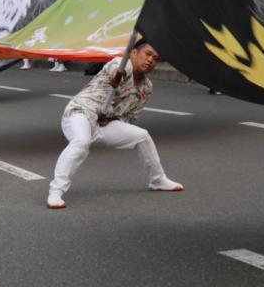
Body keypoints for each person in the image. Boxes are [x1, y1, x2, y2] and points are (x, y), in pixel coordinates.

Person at [46, 39, 182, 209]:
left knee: (142, 136)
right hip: (80, 113)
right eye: (147, 54)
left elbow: (130, 117)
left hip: (103, 123)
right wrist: (117, 76)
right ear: (134, 53)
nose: (150, 60)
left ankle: (158, 180)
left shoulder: (147, 87)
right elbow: (116, 71)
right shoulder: (121, 64)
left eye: (155, 58)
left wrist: (112, 120)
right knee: (81, 141)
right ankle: (56, 191)